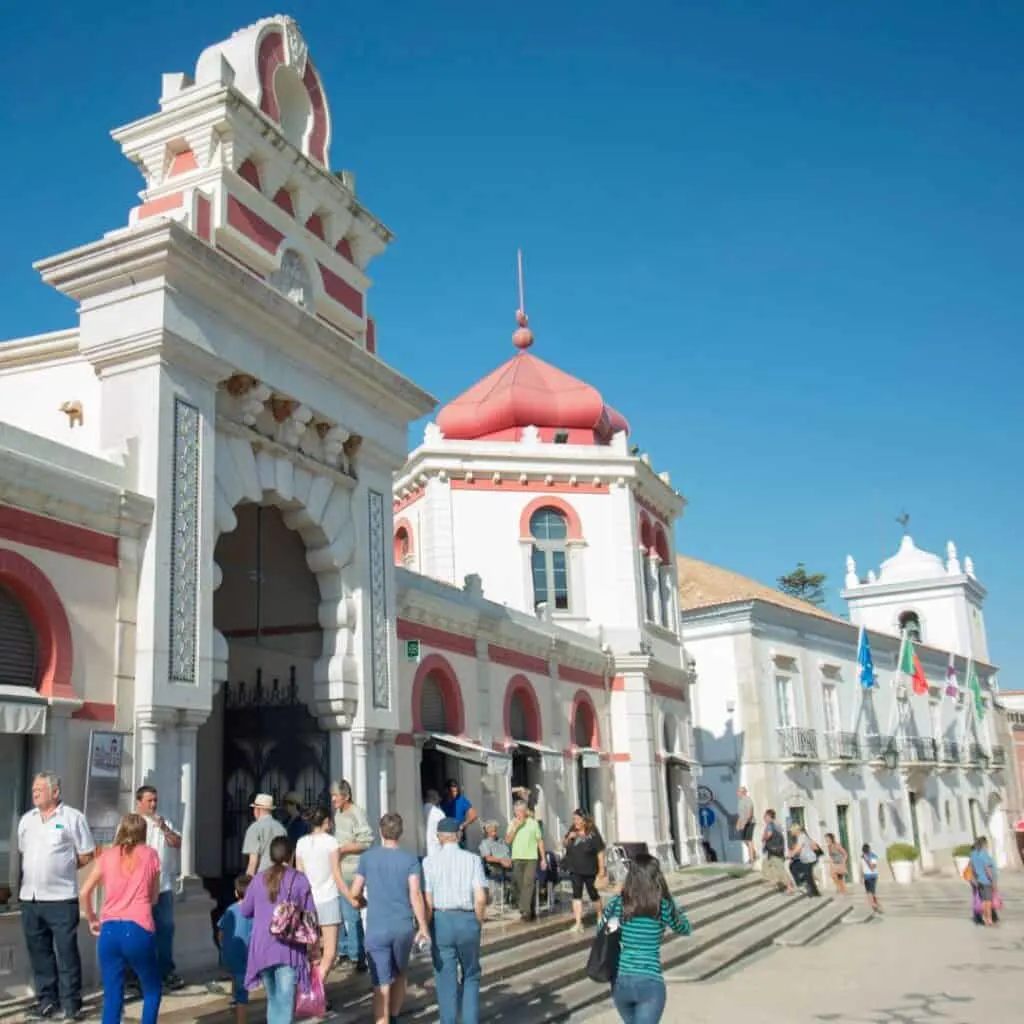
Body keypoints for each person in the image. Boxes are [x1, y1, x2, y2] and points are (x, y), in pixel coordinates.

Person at [18, 770, 96, 1021]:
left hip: (61, 899)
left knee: (66, 953)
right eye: (33, 789)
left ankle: (71, 1004)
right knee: (39, 953)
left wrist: (63, 868)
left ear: (55, 792)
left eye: (40, 789)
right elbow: (24, 851)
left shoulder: (73, 818)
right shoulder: (27, 820)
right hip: (30, 898)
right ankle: (47, 1001)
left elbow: (87, 853)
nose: (35, 793)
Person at [79, 813, 162, 1024]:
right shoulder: (151, 855)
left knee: (113, 996)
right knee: (152, 988)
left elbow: (84, 892)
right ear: (144, 832)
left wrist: (92, 918)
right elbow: (153, 897)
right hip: (138, 927)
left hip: (109, 929)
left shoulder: (106, 856)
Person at [349, 813, 430, 1024]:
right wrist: (423, 926)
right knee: (400, 974)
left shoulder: (367, 858)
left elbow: (355, 890)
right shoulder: (410, 859)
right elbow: (415, 894)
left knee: (380, 985)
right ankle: (393, 1017)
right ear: (400, 833)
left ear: (380, 831)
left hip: (376, 928)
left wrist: (360, 902)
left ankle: (382, 1021)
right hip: (402, 926)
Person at [598, 853, 691, 1023]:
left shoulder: (619, 903)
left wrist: (617, 902)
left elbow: (601, 928)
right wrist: (671, 900)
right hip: (650, 981)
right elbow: (685, 927)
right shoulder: (662, 906)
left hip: (621, 981)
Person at [239, 836, 317, 1024]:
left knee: (273, 1001)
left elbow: (245, 910)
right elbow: (310, 917)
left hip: (262, 948)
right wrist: (314, 949)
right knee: (284, 1002)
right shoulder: (299, 880)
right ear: (290, 856)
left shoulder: (258, 880)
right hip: (288, 949)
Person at [423, 818, 488, 1024]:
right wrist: (478, 921)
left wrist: (425, 926)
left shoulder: (428, 862)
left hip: (441, 919)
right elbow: (480, 897)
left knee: (445, 978)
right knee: (471, 975)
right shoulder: (472, 860)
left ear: (439, 837)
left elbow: (428, 900)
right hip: (467, 918)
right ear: (458, 836)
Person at [129, 785, 185, 995]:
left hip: (162, 887)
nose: (153, 804)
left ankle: (165, 971)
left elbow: (177, 842)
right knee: (139, 932)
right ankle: (136, 975)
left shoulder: (164, 821)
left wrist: (164, 828)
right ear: (139, 802)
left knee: (166, 928)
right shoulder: (131, 823)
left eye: (155, 800)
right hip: (138, 889)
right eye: (149, 800)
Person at [295, 806, 353, 983]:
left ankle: (313, 989)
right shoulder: (331, 842)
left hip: (307, 900)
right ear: (326, 822)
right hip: (328, 898)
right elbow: (336, 874)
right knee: (330, 951)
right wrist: (350, 896)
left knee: (312, 951)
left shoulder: (301, 843)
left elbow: (300, 874)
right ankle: (317, 986)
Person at [331, 779, 374, 972]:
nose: (333, 799)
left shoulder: (356, 813)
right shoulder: (338, 813)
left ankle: (358, 956)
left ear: (346, 796)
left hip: (352, 869)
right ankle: (344, 951)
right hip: (339, 869)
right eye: (332, 796)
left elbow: (366, 841)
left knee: (351, 913)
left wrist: (343, 849)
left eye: (336, 796)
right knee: (338, 913)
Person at [563, 809, 607, 934]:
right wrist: (569, 838)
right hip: (575, 868)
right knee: (576, 895)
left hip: (590, 869)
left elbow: (600, 851)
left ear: (584, 820)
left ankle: (600, 916)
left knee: (593, 894)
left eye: (577, 819)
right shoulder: (572, 830)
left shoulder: (593, 833)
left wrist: (602, 869)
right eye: (574, 819)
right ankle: (578, 923)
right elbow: (564, 844)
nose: (575, 821)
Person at [217, 875, 253, 1024]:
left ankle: (234, 1000)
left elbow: (221, 933)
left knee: (235, 976)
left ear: (236, 893)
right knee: (242, 994)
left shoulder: (230, 909)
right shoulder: (255, 911)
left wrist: (223, 947)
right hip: (246, 955)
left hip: (229, 954)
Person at [506, 800, 546, 922]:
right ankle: (530, 909)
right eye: (516, 811)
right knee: (519, 885)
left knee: (528, 883)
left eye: (521, 811)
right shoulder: (512, 823)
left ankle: (525, 910)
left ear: (525, 811)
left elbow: (540, 841)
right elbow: (508, 840)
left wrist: (543, 858)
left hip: (531, 858)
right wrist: (516, 827)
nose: (519, 814)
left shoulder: (533, 823)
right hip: (517, 857)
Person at [242, 794, 287, 877]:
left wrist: (247, 885)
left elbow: (253, 862)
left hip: (261, 878)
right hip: (279, 877)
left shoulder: (254, 828)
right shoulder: (281, 828)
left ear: (257, 810)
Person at [760, 810, 794, 894]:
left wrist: (764, 838)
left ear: (769, 817)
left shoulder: (770, 825)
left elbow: (769, 834)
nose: (764, 818)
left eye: (765, 816)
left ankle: (789, 887)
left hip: (773, 851)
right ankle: (773, 881)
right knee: (765, 864)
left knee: (780, 868)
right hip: (776, 851)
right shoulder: (776, 825)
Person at [969, 836, 997, 926]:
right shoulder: (983, 854)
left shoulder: (974, 855)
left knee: (984, 900)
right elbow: (987, 869)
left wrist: (974, 880)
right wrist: (993, 881)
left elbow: (972, 868)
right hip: (986, 880)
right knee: (988, 901)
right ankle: (989, 919)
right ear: (984, 844)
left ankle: (985, 917)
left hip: (979, 881)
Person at [441, 779, 478, 847]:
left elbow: (474, 815)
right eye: (452, 791)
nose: (454, 793)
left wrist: (463, 825)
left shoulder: (461, 800)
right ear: (446, 790)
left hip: (458, 835)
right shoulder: (442, 802)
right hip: (445, 836)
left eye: (456, 791)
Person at [787, 825, 820, 897]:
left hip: (809, 859)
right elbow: (799, 847)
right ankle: (812, 890)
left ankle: (813, 892)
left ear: (796, 831)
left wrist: (791, 854)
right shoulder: (802, 836)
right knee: (794, 866)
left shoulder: (801, 836)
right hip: (806, 859)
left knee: (806, 874)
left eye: (792, 831)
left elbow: (798, 848)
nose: (791, 833)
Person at [735, 787, 756, 864]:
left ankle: (752, 859)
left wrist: (745, 823)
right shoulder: (740, 801)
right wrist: (738, 823)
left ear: (743, 792)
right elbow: (740, 815)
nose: (737, 793)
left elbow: (750, 813)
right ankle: (753, 852)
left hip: (750, 822)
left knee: (749, 840)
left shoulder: (748, 800)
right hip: (743, 822)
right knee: (744, 839)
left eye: (738, 791)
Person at [860, 844, 881, 915]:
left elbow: (873, 867)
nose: (864, 852)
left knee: (872, 893)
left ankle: (877, 905)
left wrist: (867, 860)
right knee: (869, 892)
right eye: (864, 851)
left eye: (865, 851)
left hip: (872, 876)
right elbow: (861, 867)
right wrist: (861, 877)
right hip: (866, 877)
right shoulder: (862, 857)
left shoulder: (873, 856)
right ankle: (873, 906)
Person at [424, 789, 445, 858]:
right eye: (438, 796)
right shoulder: (438, 813)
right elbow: (445, 831)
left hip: (423, 849)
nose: (440, 799)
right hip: (436, 849)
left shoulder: (421, 810)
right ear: (433, 798)